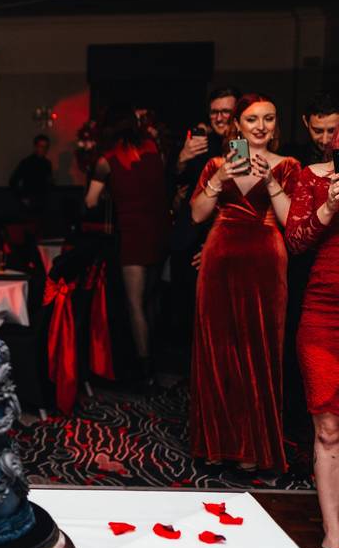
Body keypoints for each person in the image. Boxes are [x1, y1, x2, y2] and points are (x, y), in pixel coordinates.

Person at [188, 93, 300, 474]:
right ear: (238, 125)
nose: (261, 127)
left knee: (261, 352)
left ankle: (255, 448)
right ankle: (217, 445)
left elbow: (291, 223)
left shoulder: (288, 166)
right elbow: (198, 215)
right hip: (220, 259)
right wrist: (219, 178)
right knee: (217, 351)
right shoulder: (216, 164)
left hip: (266, 263)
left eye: (269, 119)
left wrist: (270, 182)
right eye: (253, 120)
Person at [284, 133, 339, 548]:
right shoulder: (312, 178)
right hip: (322, 314)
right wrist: (329, 207)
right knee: (327, 427)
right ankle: (334, 533)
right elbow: (296, 241)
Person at [85, 104, 170, 388]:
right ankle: (157, 360)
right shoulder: (152, 148)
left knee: (134, 303)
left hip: (132, 233)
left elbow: (90, 202)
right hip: (159, 230)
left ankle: (144, 369)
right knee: (152, 298)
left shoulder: (106, 160)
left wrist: (111, 190)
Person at [168, 86, 240, 350]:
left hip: (220, 245)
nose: (219, 118)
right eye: (214, 112)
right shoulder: (199, 145)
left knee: (220, 326)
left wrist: (213, 244)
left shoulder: (240, 146)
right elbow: (175, 186)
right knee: (188, 321)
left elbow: (238, 201)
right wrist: (182, 159)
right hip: (188, 241)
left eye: (226, 111)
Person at [9, 134, 53, 212]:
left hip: (43, 203)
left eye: (46, 147)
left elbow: (48, 182)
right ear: (35, 147)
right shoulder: (26, 163)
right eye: (41, 146)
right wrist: (22, 197)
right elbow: (13, 181)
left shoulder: (47, 164)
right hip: (30, 203)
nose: (44, 149)